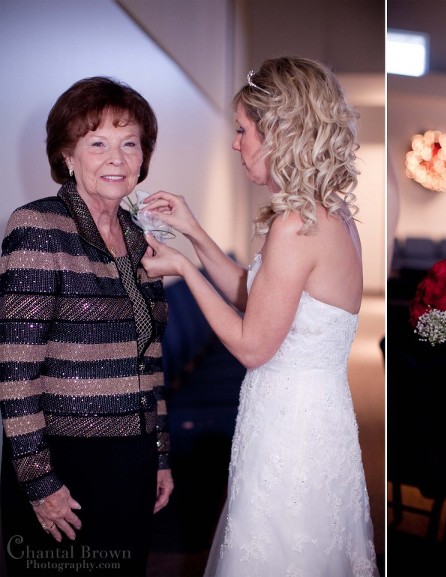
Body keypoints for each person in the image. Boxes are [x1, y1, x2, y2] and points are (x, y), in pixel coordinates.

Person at [139, 56, 379, 576]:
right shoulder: (325, 213)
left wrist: (182, 266)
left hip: (291, 428)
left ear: (278, 133)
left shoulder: (296, 225)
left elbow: (252, 345)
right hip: (311, 415)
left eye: (243, 129)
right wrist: (194, 233)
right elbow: (256, 297)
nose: (234, 142)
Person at [0, 76, 173, 577]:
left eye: (129, 143)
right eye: (97, 143)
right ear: (68, 156)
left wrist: (159, 453)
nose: (116, 159)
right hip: (65, 465)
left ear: (144, 156)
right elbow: (15, 373)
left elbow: (151, 355)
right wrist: (39, 482)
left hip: (132, 462)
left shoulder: (141, 239)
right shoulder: (37, 226)